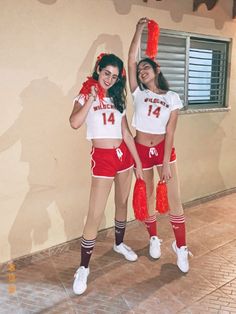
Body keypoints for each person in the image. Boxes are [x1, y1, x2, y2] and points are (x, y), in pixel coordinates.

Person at [69, 53, 143, 295]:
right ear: (98, 70)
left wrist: (139, 164)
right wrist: (90, 99)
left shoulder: (116, 98)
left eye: (114, 75)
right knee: (94, 213)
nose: (109, 79)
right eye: (106, 73)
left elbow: (127, 133)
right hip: (102, 158)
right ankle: (83, 267)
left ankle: (119, 243)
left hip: (123, 155)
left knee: (121, 203)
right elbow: (75, 123)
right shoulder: (84, 94)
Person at [128, 17, 191, 273]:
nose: (142, 71)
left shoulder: (173, 98)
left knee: (175, 200)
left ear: (157, 70)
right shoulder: (138, 93)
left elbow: (170, 131)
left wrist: (165, 161)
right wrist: (138, 30)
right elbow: (130, 62)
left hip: (165, 153)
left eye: (147, 68)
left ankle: (181, 247)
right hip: (141, 151)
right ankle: (153, 236)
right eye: (140, 70)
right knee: (149, 196)